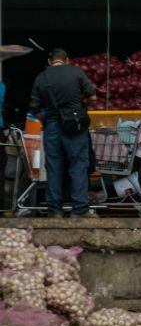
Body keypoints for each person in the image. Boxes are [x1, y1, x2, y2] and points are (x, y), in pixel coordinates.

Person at [28, 48, 97, 218]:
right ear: (67, 60)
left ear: (49, 61)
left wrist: (46, 120)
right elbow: (93, 97)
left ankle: (54, 211)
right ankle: (79, 210)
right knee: (78, 165)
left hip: (52, 126)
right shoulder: (76, 71)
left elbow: (34, 107)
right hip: (74, 126)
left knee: (53, 168)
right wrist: (80, 108)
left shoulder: (41, 77)